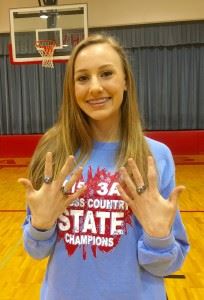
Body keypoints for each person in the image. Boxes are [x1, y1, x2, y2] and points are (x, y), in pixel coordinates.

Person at [19, 34, 189, 300]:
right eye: (83, 78)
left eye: (107, 73)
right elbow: (36, 251)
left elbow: (167, 264)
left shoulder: (155, 156)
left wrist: (158, 237)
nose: (95, 87)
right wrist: (40, 225)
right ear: (71, 88)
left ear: (125, 82)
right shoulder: (53, 150)